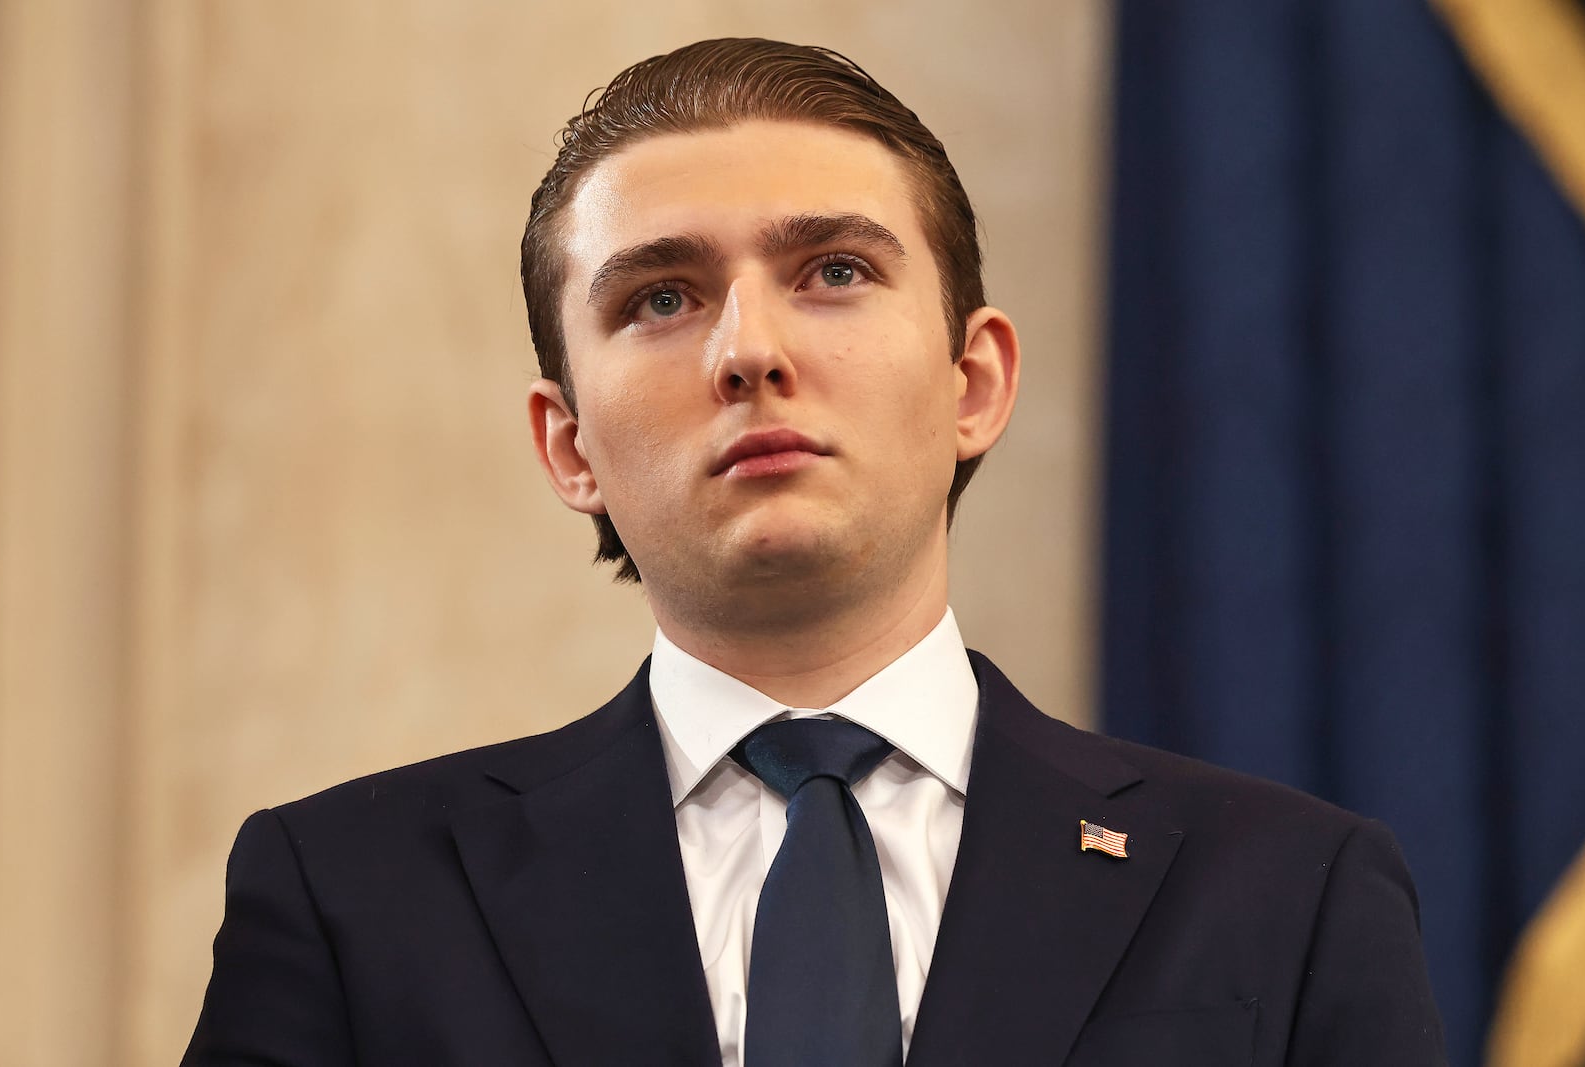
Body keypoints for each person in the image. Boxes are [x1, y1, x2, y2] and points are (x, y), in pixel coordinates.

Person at [182, 38, 1446, 1066]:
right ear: (568, 445)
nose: (747, 349)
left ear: (974, 381)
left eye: (833, 270)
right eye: (659, 298)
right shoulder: (352, 895)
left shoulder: (1288, 889)